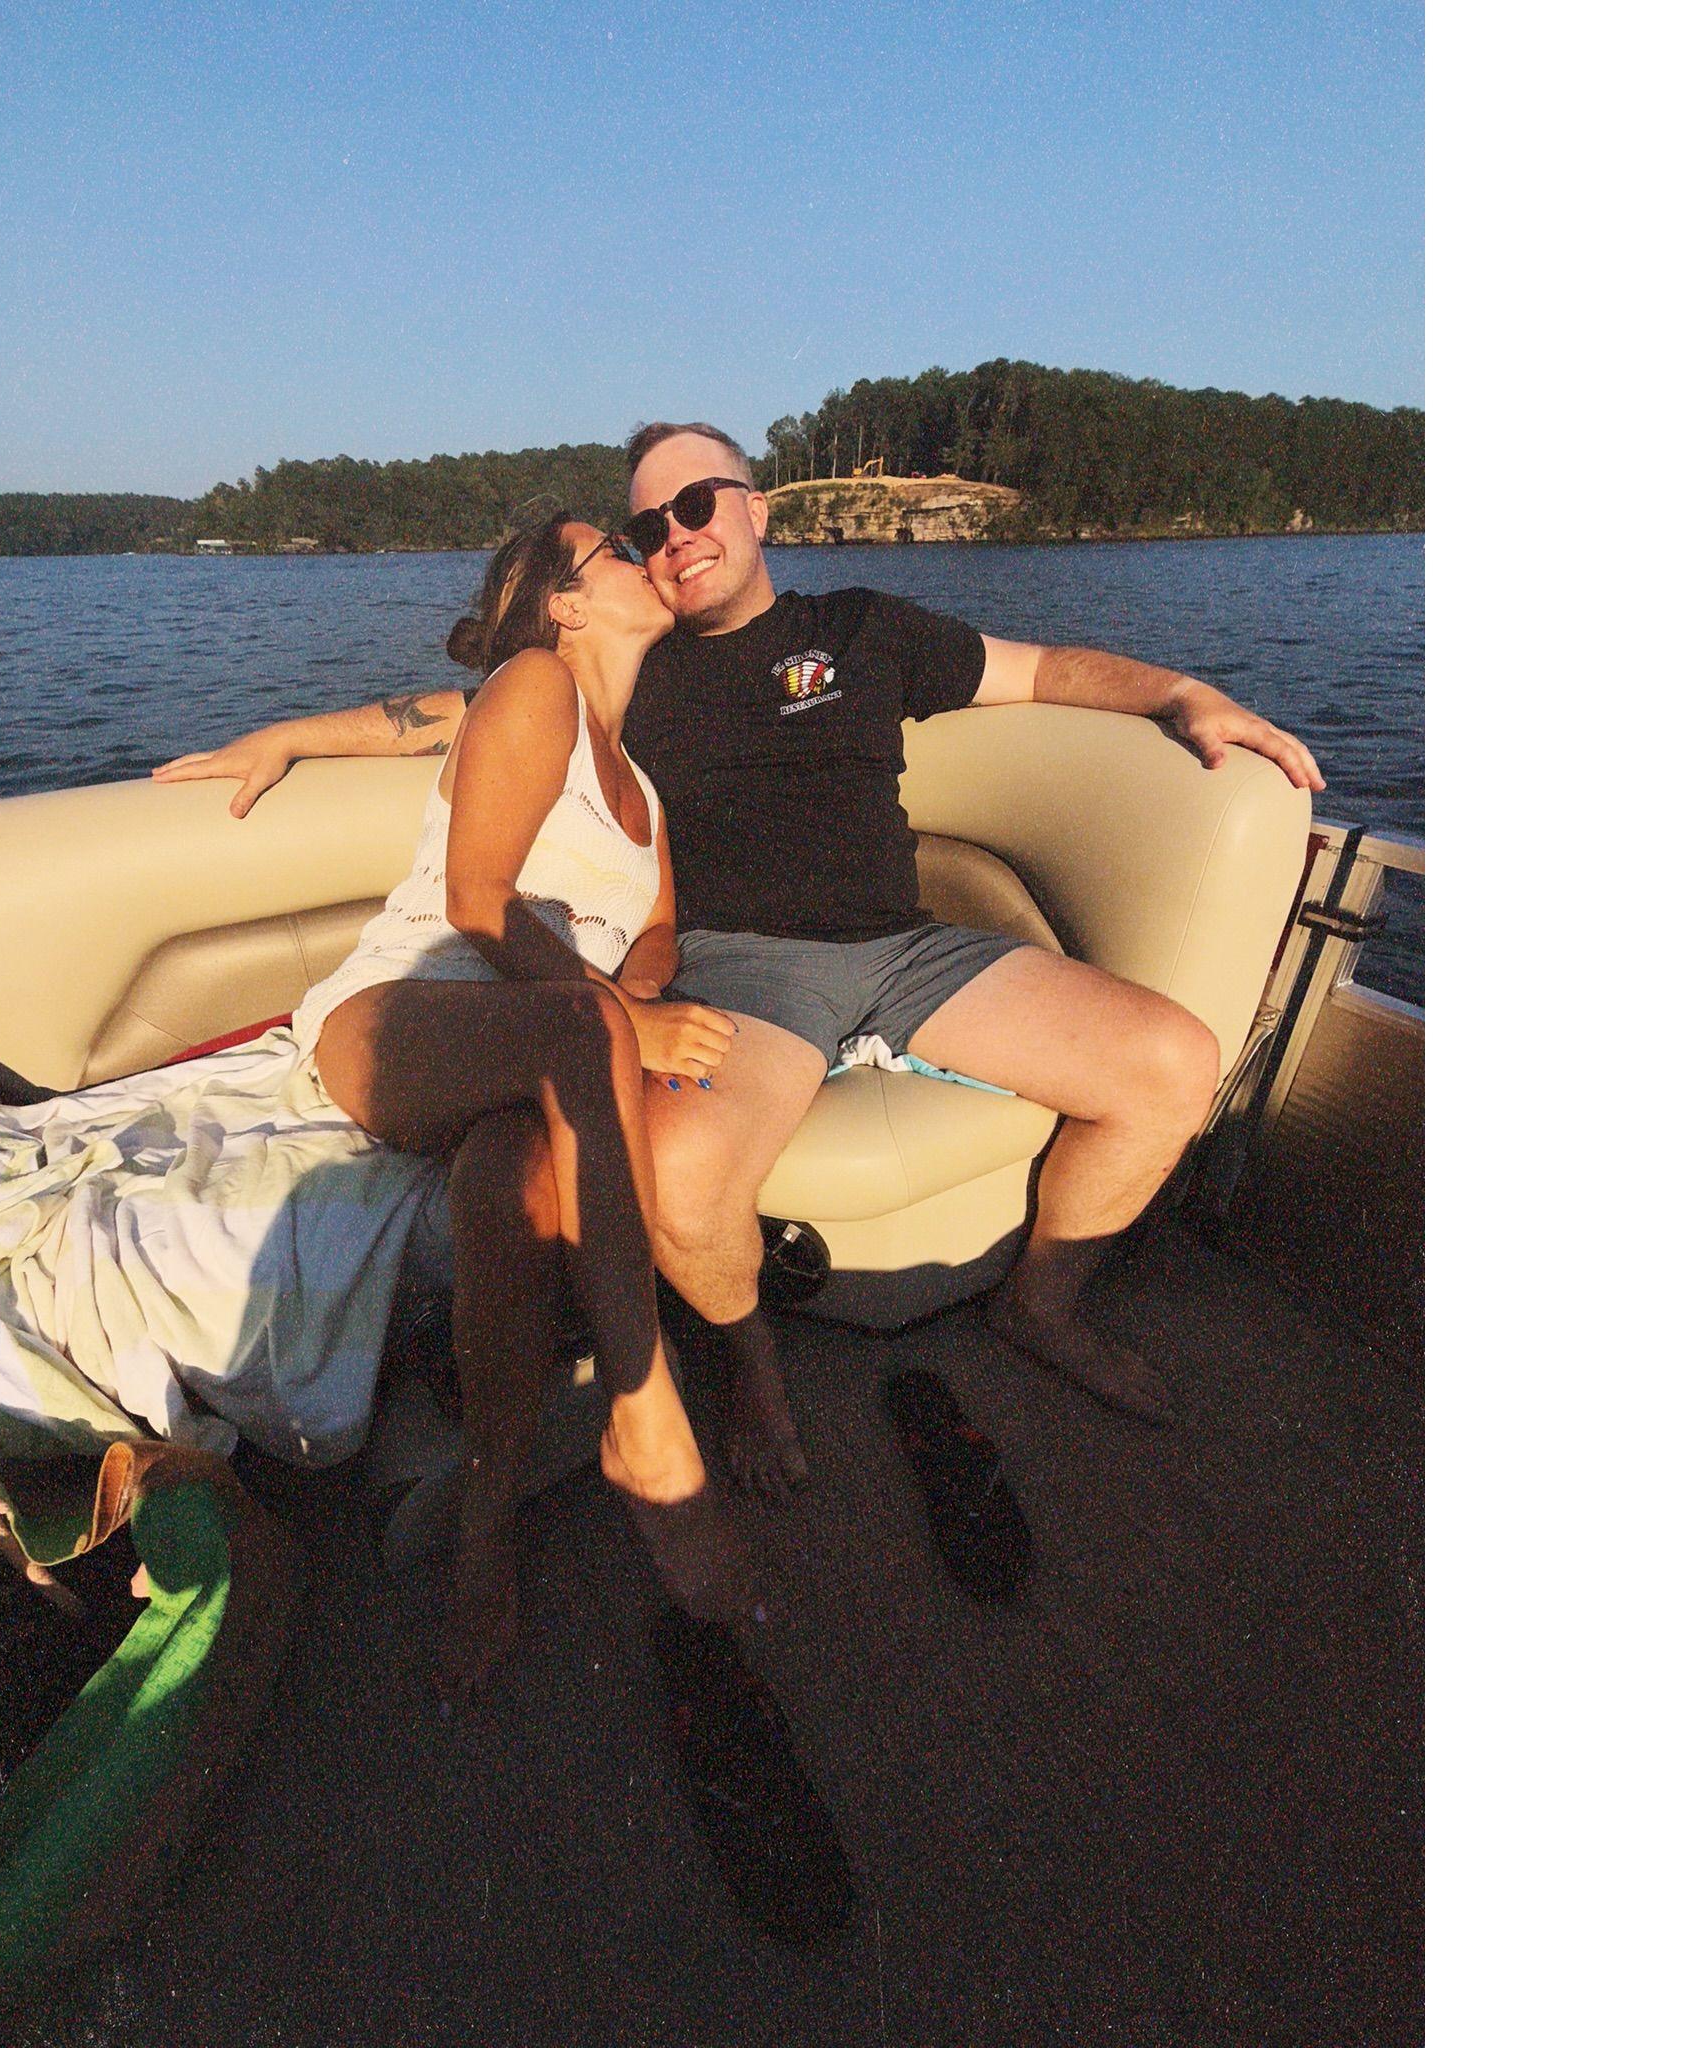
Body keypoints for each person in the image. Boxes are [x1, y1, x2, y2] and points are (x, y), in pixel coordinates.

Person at [155, 423, 1324, 1482]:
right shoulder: (632, 670)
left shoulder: (864, 627)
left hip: (904, 944)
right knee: (679, 1181)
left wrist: (1180, 693)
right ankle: (750, 1362)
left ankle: (1042, 1302)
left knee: (1172, 1063)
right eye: (643, 530)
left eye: (694, 504)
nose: (672, 539)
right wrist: (287, 735)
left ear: (755, 507)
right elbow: (462, 710)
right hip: (742, 972)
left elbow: (1044, 669)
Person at [281, 510, 751, 1691]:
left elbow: (655, 930)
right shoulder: (534, 684)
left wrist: (641, 991)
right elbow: (476, 899)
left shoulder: (641, 785)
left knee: (508, 1181)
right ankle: (645, 1409)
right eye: (617, 549)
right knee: (582, 1030)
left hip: (541, 1041)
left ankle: (485, 1529)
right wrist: (621, 1016)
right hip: (405, 1012)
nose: (650, 552)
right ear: (563, 604)